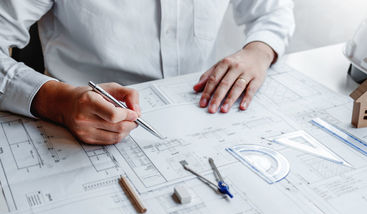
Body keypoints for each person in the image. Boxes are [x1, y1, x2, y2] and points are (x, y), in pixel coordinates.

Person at [0, 0, 295, 144]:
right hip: (78, 129)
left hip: (200, 118)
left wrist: (260, 49)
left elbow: (272, 10)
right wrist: (56, 101)